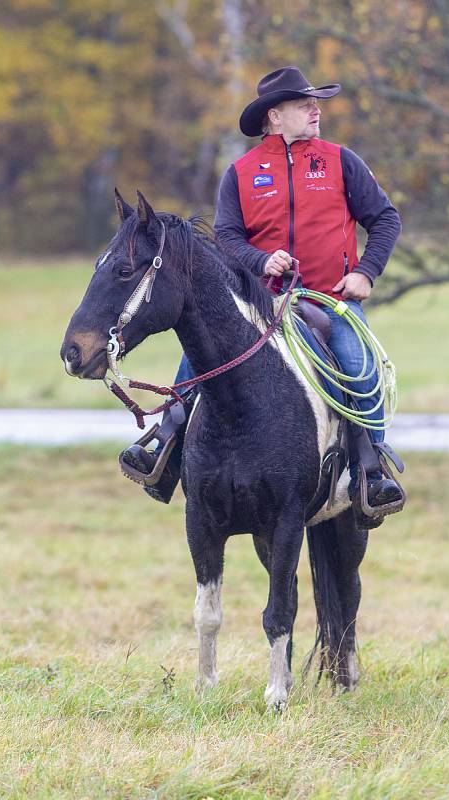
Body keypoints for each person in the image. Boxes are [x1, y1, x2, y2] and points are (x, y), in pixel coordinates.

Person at [120, 66, 404, 522]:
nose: (315, 110)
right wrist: (260, 261)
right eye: (303, 104)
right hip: (258, 300)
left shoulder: (340, 160)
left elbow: (386, 219)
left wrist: (366, 273)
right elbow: (227, 236)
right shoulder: (242, 173)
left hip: (331, 300)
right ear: (275, 115)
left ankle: (371, 471)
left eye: (315, 103)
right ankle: (165, 448)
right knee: (199, 358)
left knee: (360, 371)